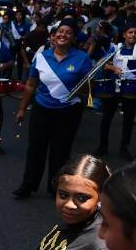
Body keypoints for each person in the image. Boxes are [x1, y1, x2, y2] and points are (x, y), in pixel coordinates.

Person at [12, 21, 94, 199]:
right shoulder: (42, 57)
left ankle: (55, 187)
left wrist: (84, 87)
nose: (63, 35)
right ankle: (28, 185)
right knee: (35, 149)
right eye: (60, 31)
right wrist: (22, 109)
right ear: (53, 36)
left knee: (61, 151)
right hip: (42, 109)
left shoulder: (82, 58)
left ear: (73, 38)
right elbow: (31, 84)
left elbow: (88, 88)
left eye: (68, 32)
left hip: (68, 112)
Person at [96, 23, 136, 160]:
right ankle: (102, 146)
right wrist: (113, 69)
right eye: (130, 32)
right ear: (124, 35)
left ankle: (124, 148)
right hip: (114, 85)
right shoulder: (115, 47)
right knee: (106, 117)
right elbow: (103, 63)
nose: (133, 35)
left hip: (131, 86)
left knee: (128, 119)